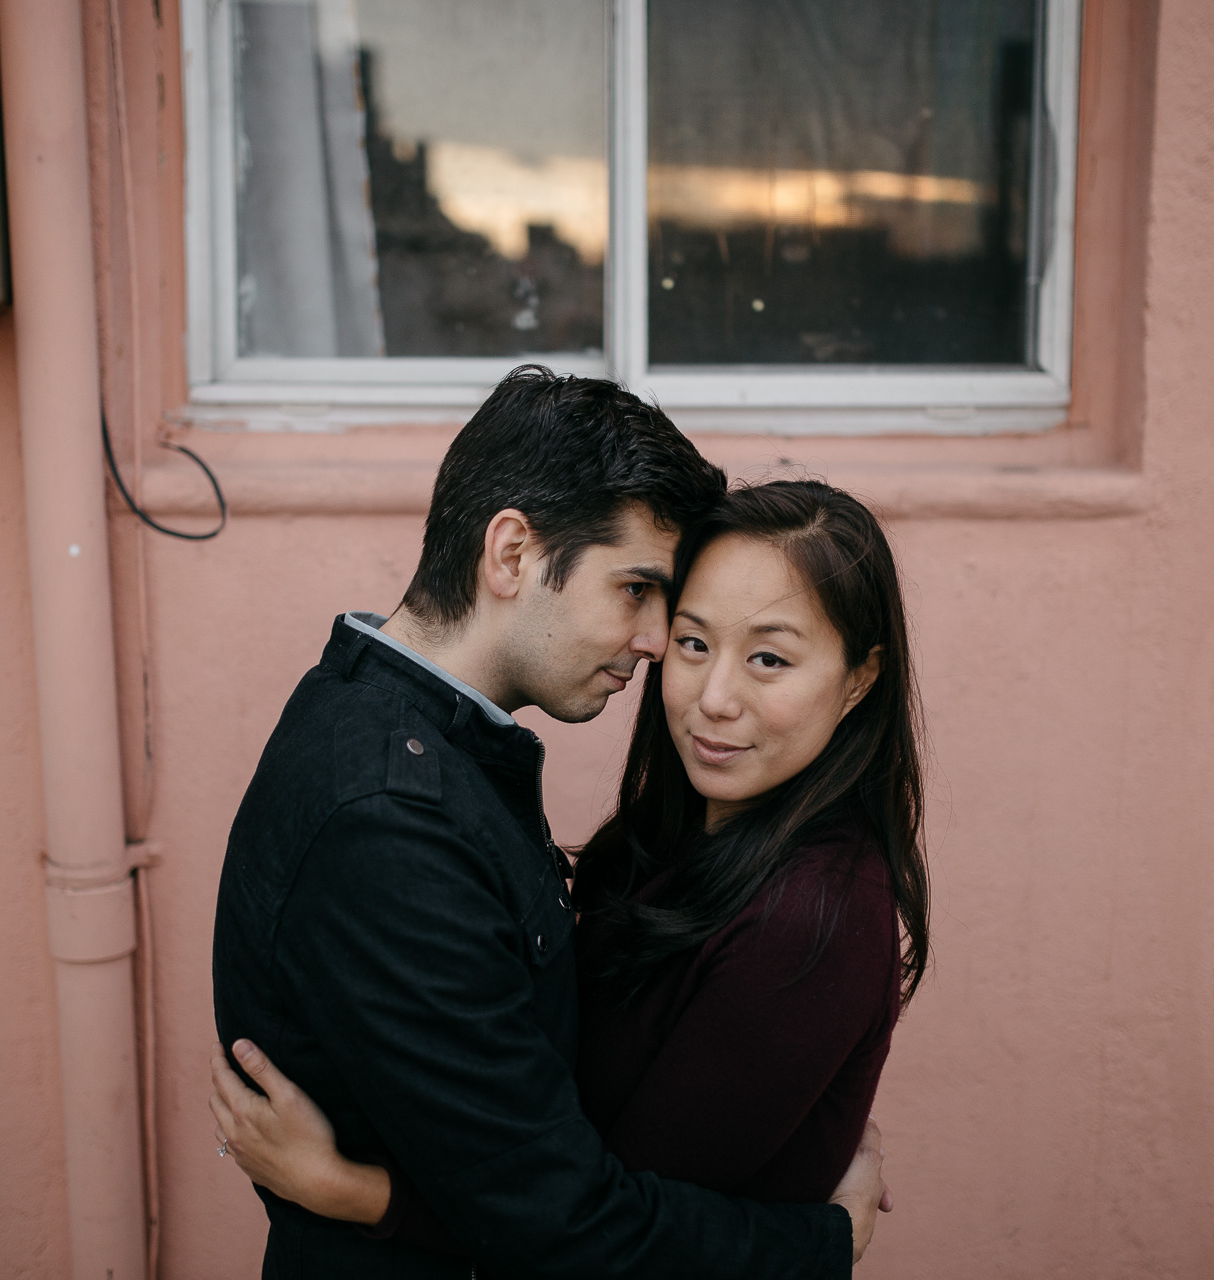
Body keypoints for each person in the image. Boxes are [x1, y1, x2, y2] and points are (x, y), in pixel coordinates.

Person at [211, 368, 888, 1279]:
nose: (657, 649)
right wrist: (823, 1242)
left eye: (766, 656)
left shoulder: (398, 727)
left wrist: (358, 1191)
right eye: (639, 593)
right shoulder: (390, 820)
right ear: (513, 554)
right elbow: (566, 1223)